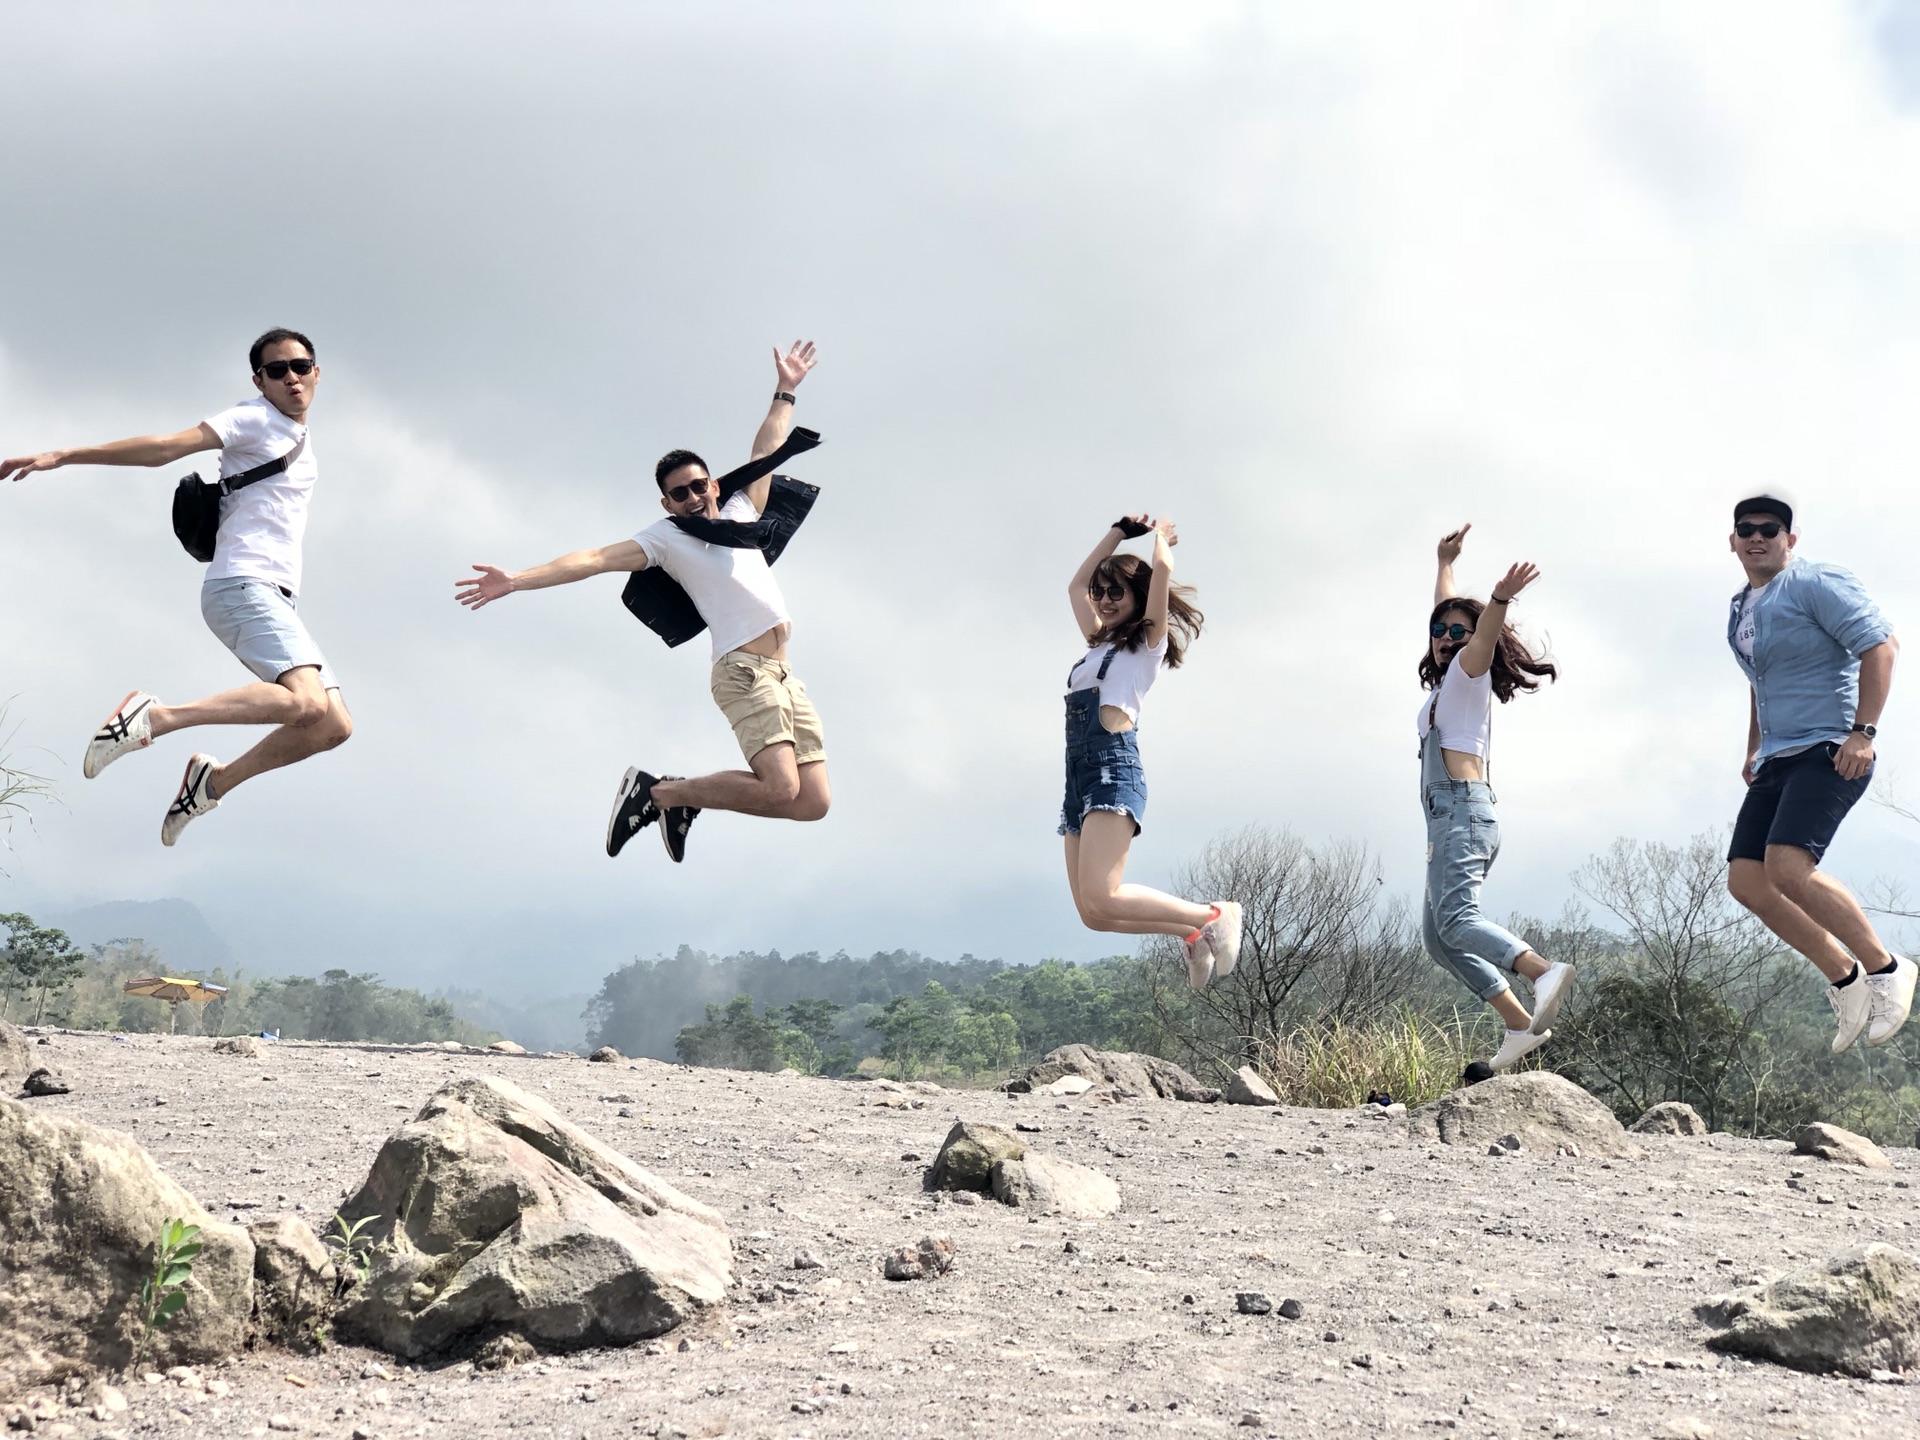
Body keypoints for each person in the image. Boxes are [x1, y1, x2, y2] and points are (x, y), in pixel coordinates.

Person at [456, 342, 826, 863]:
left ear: (713, 484)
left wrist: (786, 389)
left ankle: (676, 798)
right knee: (781, 788)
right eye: (681, 494)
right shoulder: (666, 538)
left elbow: (767, 448)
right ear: (667, 503)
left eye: (700, 486)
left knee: (811, 804)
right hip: (744, 671)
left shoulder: (742, 511)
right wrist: (515, 579)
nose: (694, 497)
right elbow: (593, 557)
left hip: (786, 674)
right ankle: (660, 794)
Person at [0, 328, 351, 846]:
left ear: (317, 372)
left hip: (274, 595)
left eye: (300, 366)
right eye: (277, 371)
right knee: (306, 703)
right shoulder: (253, 417)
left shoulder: (297, 435)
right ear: (260, 380)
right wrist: (64, 455)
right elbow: (166, 448)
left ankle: (213, 783)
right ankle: (156, 717)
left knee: (332, 726)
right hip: (242, 583)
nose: (291, 378)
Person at [1721, 495, 1914, 1051]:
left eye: (1770, 529)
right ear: (1732, 540)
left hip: (1831, 749)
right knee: (1747, 881)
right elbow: (1761, 679)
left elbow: (1881, 644)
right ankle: (1846, 978)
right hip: (1779, 756)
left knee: (1788, 867)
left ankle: (1886, 966)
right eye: (1747, 529)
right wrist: (1755, 746)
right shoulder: (1741, 606)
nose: (1757, 537)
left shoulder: (1813, 581)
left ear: (1790, 538)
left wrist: (1865, 732)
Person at [1062, 516, 1241, 988]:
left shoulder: (1146, 645)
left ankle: (1214, 915)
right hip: (1077, 777)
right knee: (1093, 912)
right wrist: (1118, 532)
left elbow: (1161, 569)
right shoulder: (1096, 644)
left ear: (1137, 598)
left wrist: (1161, 537)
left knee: (1107, 893)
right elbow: (1076, 585)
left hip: (1111, 768)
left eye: (1116, 592)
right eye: (1102, 593)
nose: (1103, 599)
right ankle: (1192, 933)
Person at [1421, 525, 1573, 1071]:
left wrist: (1500, 600)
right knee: (1439, 940)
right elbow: (1450, 610)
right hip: (1450, 821)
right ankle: (1518, 1026)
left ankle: (1541, 971)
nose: (1445, 636)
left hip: (1462, 812)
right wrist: (1444, 562)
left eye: (1456, 632)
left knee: (1458, 921)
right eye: (1438, 631)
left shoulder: (1468, 675)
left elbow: (1477, 636)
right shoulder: (1447, 685)